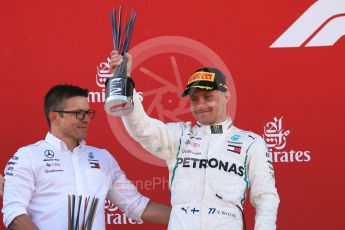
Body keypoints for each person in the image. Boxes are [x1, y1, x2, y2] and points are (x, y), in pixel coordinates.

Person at [109, 51, 280, 230]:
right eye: (194, 99)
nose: (200, 105)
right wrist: (124, 80)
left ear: (226, 96)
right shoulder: (179, 135)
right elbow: (140, 128)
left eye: (208, 97)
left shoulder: (251, 142)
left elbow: (266, 196)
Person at [2, 84, 170, 230]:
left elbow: (137, 207)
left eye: (88, 113)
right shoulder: (28, 156)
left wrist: (192, 218)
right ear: (54, 116)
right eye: (78, 113)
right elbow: (14, 214)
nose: (86, 120)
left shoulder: (103, 158)